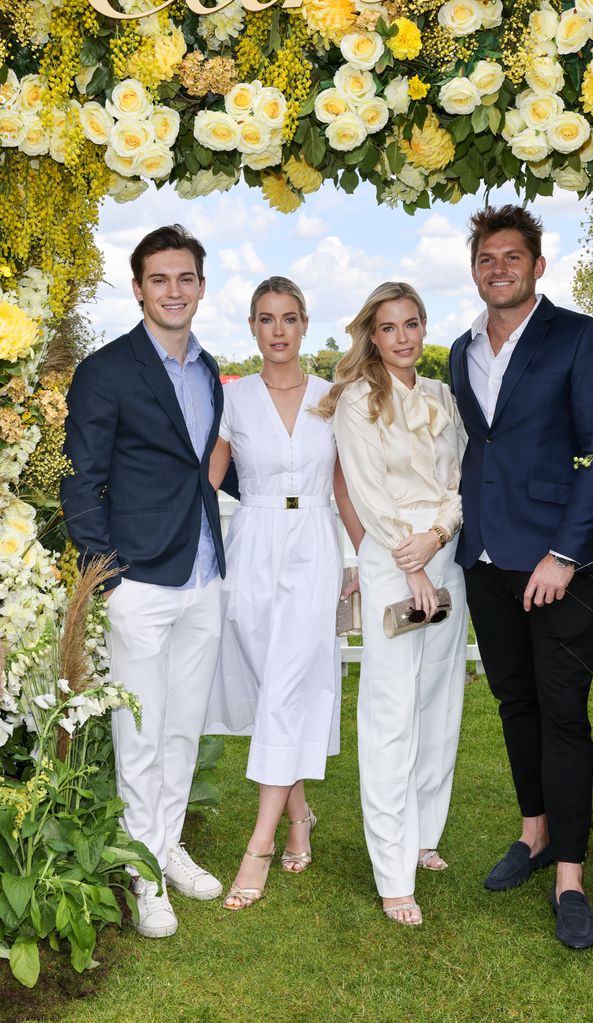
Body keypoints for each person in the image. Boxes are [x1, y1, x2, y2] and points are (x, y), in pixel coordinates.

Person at [449, 204, 593, 950]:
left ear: (537, 265)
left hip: (555, 563)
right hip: (486, 558)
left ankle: (570, 877)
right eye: (486, 258)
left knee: (562, 714)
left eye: (511, 257)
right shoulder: (460, 350)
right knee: (513, 703)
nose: (498, 268)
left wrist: (563, 553)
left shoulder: (582, 338)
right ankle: (532, 835)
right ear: (475, 269)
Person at [62, 224, 230, 939]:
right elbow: (81, 481)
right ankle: (143, 870)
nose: (173, 290)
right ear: (138, 288)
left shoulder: (209, 368)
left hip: (202, 572)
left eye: (185, 277)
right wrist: (109, 577)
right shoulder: (106, 370)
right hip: (139, 581)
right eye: (158, 278)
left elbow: (202, 468)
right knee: (141, 728)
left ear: (199, 285)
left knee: (183, 725)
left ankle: (165, 842)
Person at [206, 277, 363, 911]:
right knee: (272, 684)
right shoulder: (233, 400)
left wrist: (360, 558)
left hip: (317, 544)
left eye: (290, 318)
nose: (278, 329)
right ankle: (301, 814)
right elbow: (205, 484)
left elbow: (345, 485)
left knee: (291, 681)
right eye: (266, 319)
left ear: (304, 325)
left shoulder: (334, 398)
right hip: (252, 545)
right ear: (252, 327)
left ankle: (261, 844)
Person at [319, 281, 468, 927]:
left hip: (443, 553)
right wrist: (410, 563)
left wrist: (438, 536)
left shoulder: (440, 396)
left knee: (439, 700)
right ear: (371, 335)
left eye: (412, 323)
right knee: (389, 710)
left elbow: (461, 479)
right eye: (389, 327)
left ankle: (422, 834)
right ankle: (390, 870)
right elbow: (365, 488)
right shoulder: (357, 399)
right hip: (391, 562)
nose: (403, 337)